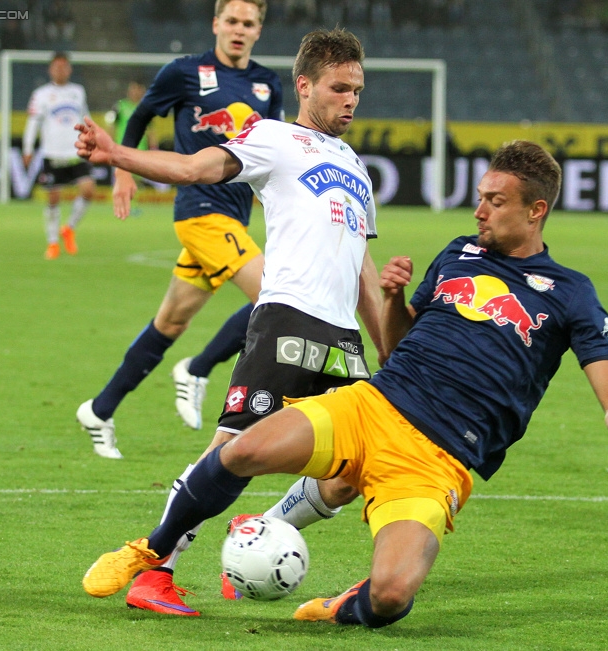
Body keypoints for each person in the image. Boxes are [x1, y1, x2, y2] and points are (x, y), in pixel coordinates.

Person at [79, 140, 608, 628]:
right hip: (374, 405)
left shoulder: (569, 291)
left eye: (495, 203)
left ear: (536, 210)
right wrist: (396, 300)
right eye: (480, 198)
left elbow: (601, 363)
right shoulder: (457, 254)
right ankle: (149, 551)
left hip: (436, 461)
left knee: (393, 596)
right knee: (243, 448)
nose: (479, 211)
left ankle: (342, 607)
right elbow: (396, 346)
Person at [76, 27, 387, 618]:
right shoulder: (274, 138)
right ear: (305, 85)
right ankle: (154, 567)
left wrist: (385, 348)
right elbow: (196, 168)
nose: (350, 100)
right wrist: (117, 156)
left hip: (343, 339)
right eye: (339, 88)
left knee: (356, 470)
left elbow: (364, 270)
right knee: (232, 452)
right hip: (287, 321)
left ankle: (257, 536)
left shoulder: (354, 165)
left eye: (358, 90)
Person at [76, 0, 285, 460]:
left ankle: (100, 408)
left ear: (258, 32)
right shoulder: (185, 72)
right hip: (199, 211)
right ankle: (199, 367)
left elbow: (274, 152)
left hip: (236, 214)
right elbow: (142, 114)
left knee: (170, 321)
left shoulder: (268, 84)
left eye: (248, 23)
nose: (238, 29)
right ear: (215, 24)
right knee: (276, 297)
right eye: (231, 20)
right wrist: (122, 171)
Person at [22, 52, 95, 261]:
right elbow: (32, 123)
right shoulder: (41, 94)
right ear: (50, 69)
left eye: (64, 66)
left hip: (76, 151)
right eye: (57, 67)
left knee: (88, 190)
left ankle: (69, 228)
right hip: (52, 153)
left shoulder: (78, 92)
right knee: (53, 198)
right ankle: (53, 242)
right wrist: (28, 148)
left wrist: (92, 138)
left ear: (69, 69)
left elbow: (85, 117)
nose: (60, 70)